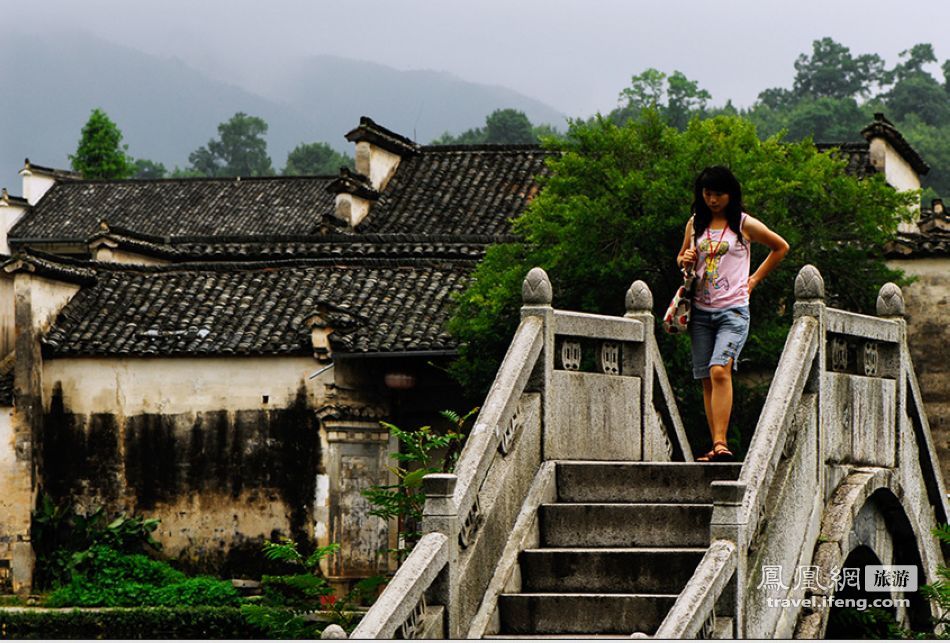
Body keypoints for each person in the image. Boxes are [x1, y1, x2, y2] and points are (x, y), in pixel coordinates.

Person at [676, 166, 789, 462]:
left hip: (733, 310)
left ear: (730, 194)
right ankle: (715, 446)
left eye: (718, 194)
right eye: (707, 194)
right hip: (700, 310)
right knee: (705, 378)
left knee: (719, 370)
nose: (712, 200)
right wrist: (685, 258)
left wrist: (753, 281)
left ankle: (721, 442)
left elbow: (780, 247)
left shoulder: (743, 224)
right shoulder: (695, 224)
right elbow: (682, 257)